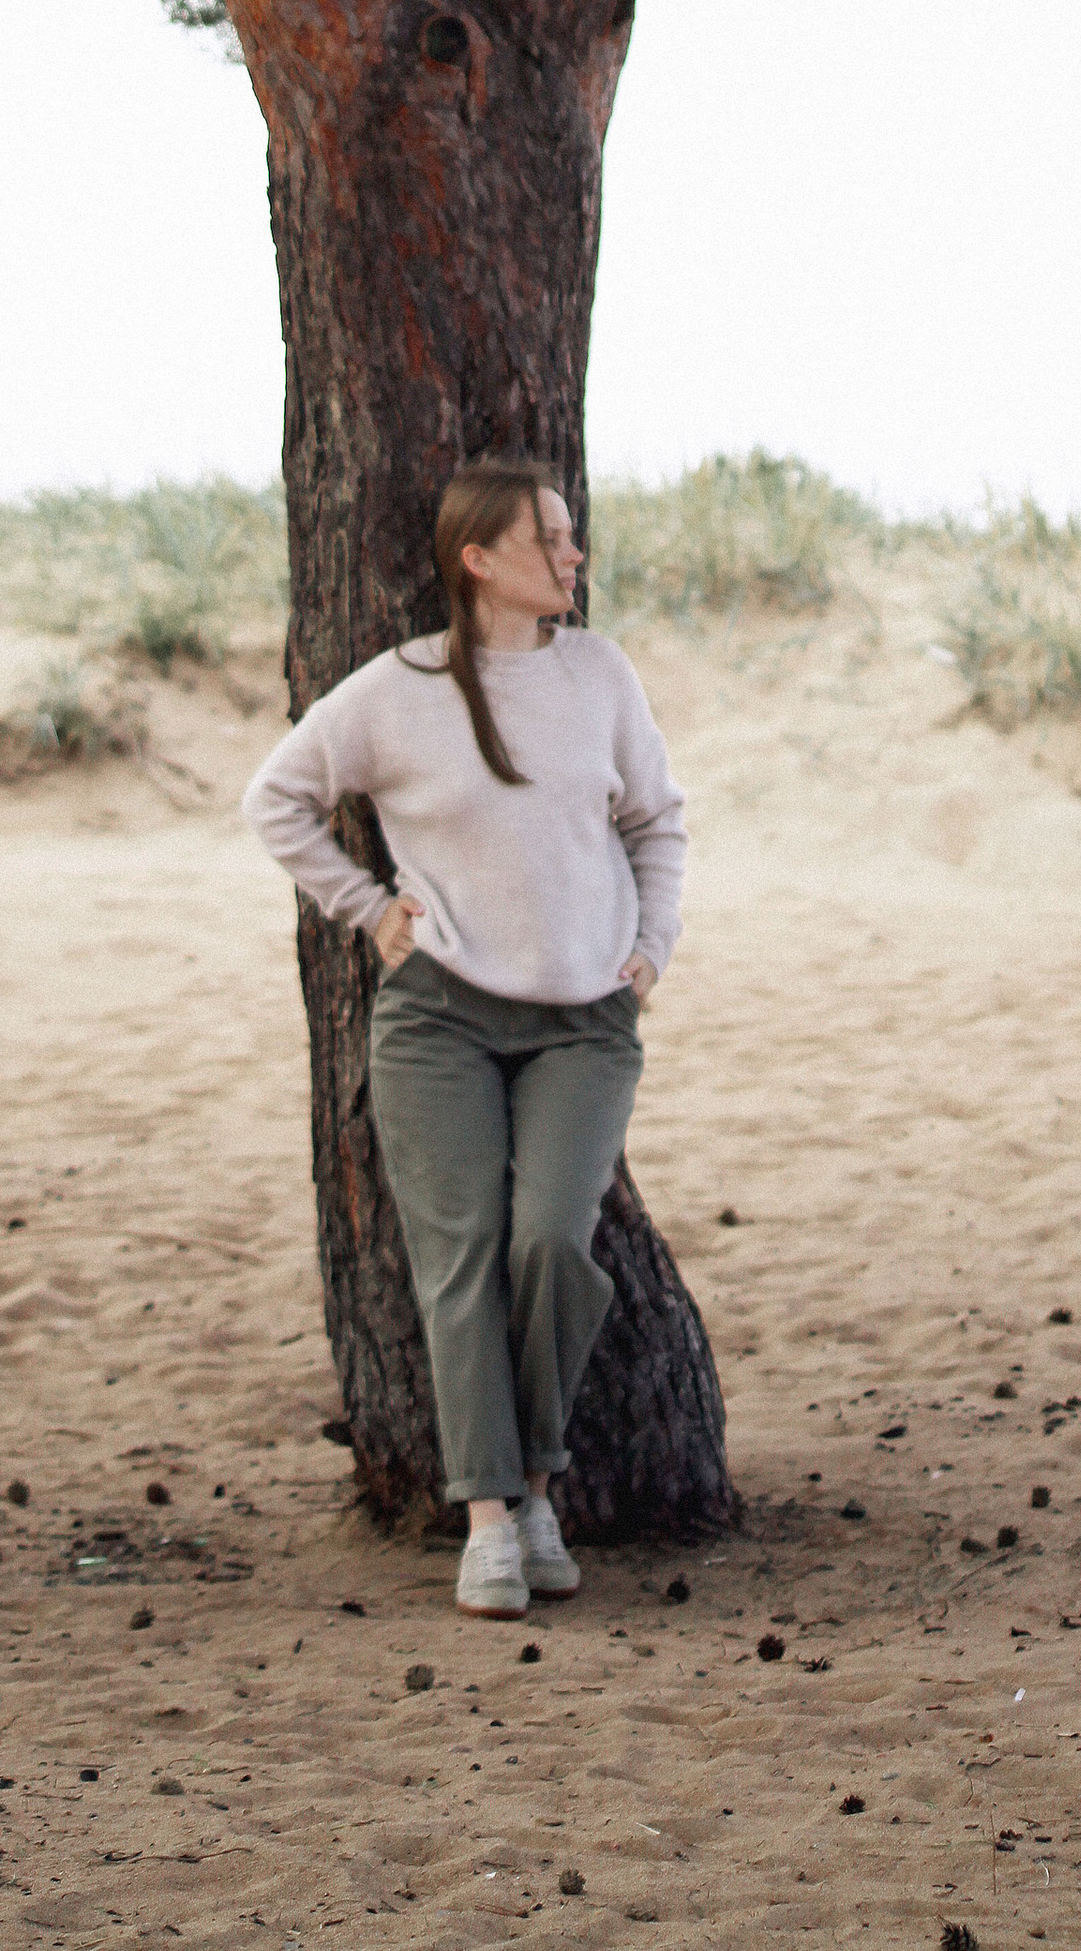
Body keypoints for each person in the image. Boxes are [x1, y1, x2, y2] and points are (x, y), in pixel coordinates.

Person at [241, 457, 687, 1619]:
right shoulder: (397, 690)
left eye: (573, 535)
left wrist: (652, 946)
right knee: (461, 1261)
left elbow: (656, 821)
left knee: (550, 1245)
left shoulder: (599, 674)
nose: (574, 555)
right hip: (438, 1017)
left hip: (585, 1021)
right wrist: (365, 908)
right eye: (551, 538)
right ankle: (493, 1521)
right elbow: (275, 800)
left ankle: (536, 1482)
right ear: (480, 560)